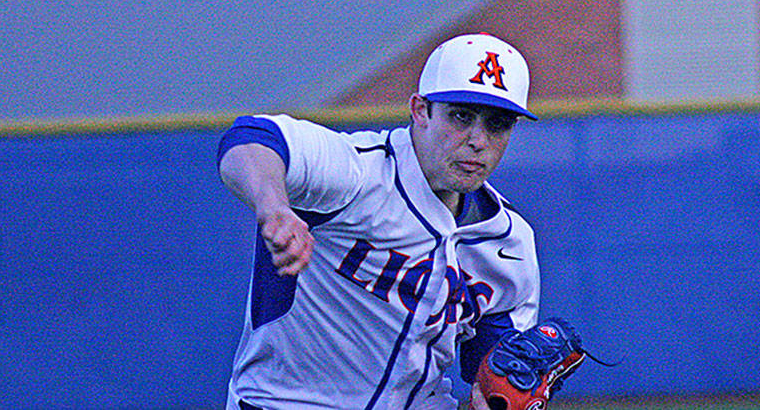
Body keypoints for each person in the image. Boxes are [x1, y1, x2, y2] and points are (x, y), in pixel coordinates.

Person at [216, 32, 546, 410]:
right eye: (461, 115)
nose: (477, 139)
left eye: (498, 124)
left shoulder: (510, 243)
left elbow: (488, 378)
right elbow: (251, 139)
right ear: (420, 110)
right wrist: (274, 207)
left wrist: (503, 393)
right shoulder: (358, 173)